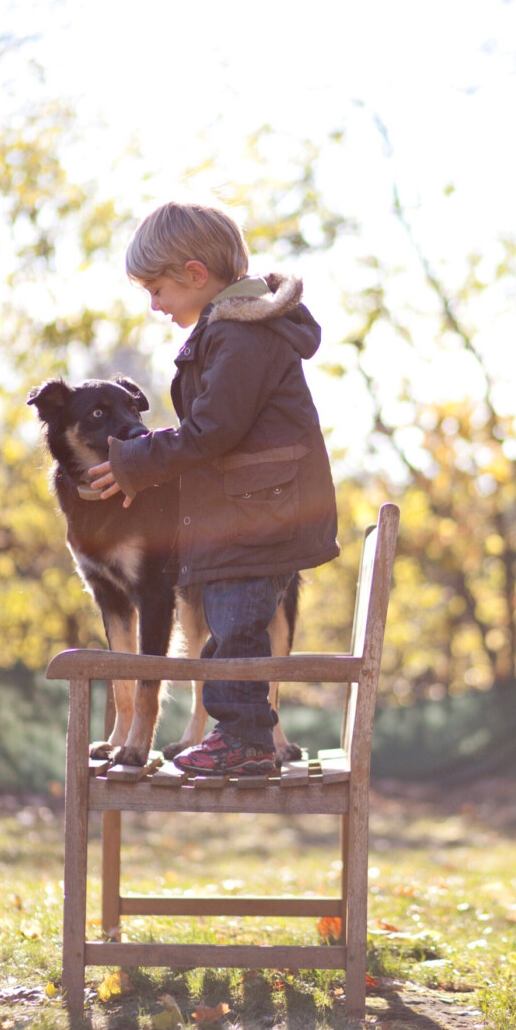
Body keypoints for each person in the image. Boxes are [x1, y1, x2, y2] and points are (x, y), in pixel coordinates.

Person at [88, 201, 339, 775]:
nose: (154, 305)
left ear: (196, 275)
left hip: (262, 514)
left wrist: (135, 462)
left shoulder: (242, 338)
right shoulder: (229, 332)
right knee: (230, 627)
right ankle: (240, 734)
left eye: (157, 290)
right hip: (252, 510)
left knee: (235, 629)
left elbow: (211, 432)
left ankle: (246, 738)